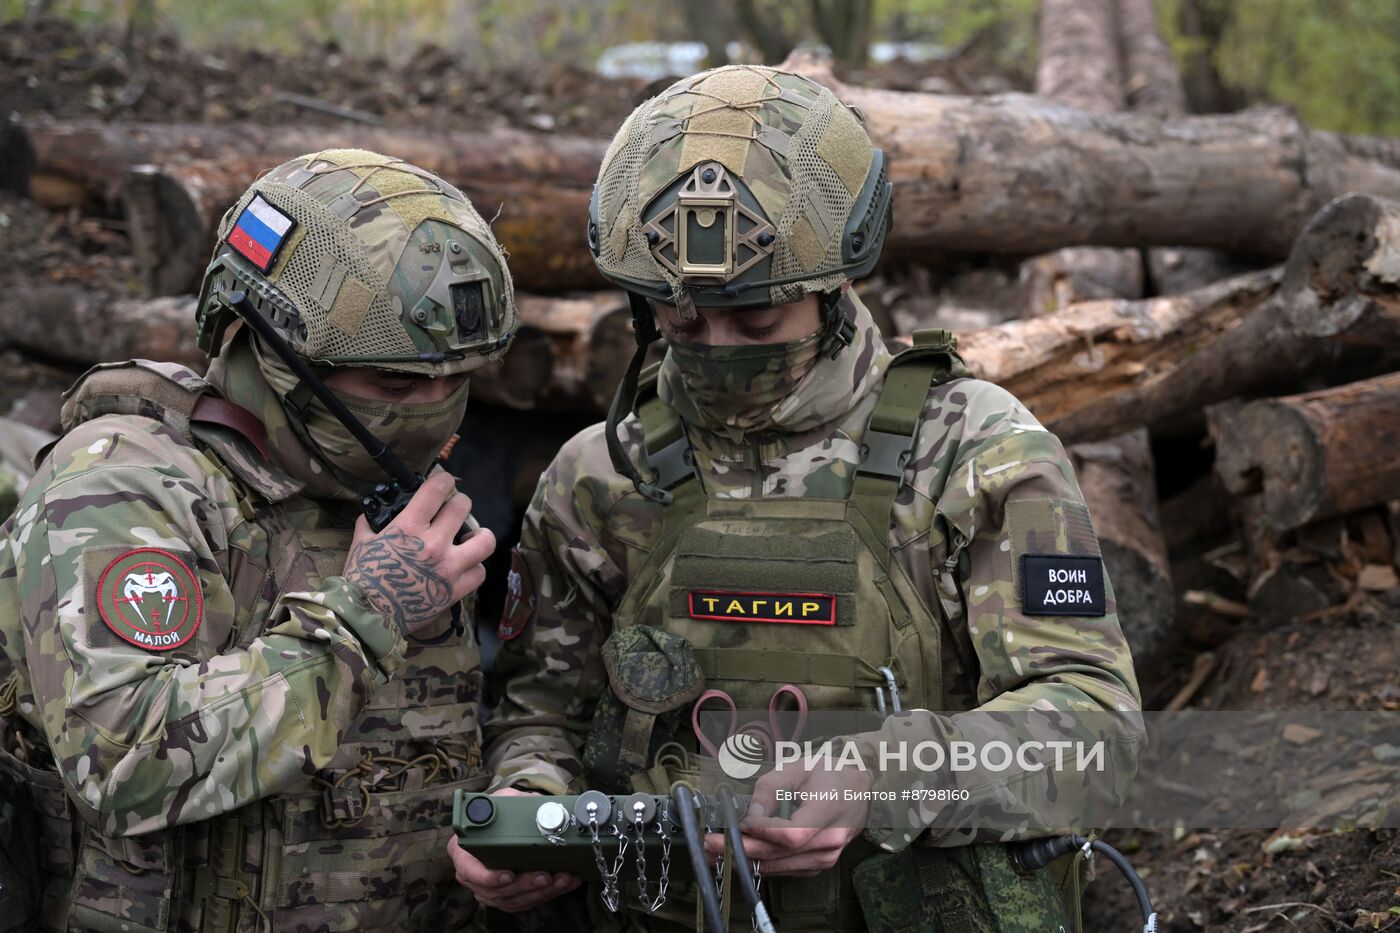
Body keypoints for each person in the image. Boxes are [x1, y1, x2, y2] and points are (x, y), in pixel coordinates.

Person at [452, 65, 1143, 931]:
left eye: (756, 323)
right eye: (681, 321)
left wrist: (885, 776)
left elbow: (1097, 732)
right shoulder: (604, 474)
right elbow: (538, 714)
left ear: (834, 286)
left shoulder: (972, 451)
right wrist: (531, 806)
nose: (714, 348)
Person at [0, 149, 515, 932]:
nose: (431, 413)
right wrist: (367, 609)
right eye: (396, 385)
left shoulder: (389, 504)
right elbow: (126, 761)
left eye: (455, 383)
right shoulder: (120, 488)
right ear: (269, 353)